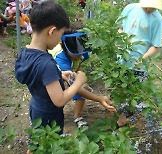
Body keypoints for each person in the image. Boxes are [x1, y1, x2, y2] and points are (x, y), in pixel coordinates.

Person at [15, 0, 116, 140]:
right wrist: (78, 81)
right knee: (49, 144)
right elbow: (59, 100)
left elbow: (34, 76)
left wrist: (58, 75)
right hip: (49, 117)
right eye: (60, 34)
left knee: (37, 142)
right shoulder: (46, 64)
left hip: (36, 109)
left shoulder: (25, 52)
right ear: (52, 31)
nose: (59, 41)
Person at [116, 0, 162, 127]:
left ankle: (130, 112)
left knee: (134, 91)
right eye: (148, 6)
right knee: (120, 89)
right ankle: (121, 118)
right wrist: (119, 40)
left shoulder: (158, 20)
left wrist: (143, 59)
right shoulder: (130, 8)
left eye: (153, 7)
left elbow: (156, 45)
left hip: (139, 63)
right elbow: (120, 28)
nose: (150, 9)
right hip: (122, 59)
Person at [54, 23, 111, 128]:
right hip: (54, 76)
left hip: (67, 72)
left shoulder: (80, 52)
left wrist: (83, 82)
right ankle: (70, 116)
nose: (80, 55)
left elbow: (79, 66)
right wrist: (99, 98)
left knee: (81, 87)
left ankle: (77, 115)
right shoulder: (61, 59)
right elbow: (75, 87)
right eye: (77, 52)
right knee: (71, 92)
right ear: (64, 46)